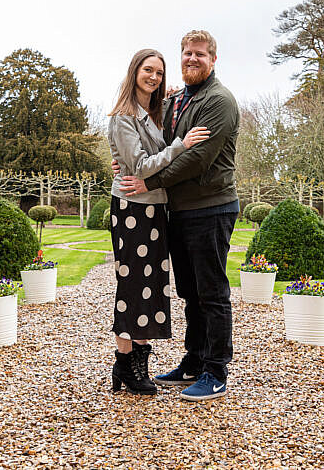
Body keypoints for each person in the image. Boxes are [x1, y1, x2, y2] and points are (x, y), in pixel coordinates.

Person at [119, 30, 240, 402]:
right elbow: (160, 145)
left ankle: (215, 370)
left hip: (211, 207)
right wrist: (127, 161)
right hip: (181, 209)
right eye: (187, 53)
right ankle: (193, 360)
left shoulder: (218, 101)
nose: (192, 59)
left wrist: (147, 181)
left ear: (213, 59)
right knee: (189, 292)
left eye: (200, 54)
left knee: (212, 292)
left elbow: (195, 158)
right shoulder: (178, 100)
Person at [107, 48, 210, 395]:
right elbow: (139, 167)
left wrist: (167, 98)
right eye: (147, 70)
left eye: (159, 73)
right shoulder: (123, 117)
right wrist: (181, 145)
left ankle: (137, 364)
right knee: (132, 286)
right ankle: (126, 364)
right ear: (134, 70)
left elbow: (144, 158)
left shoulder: (155, 113)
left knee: (150, 288)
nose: (153, 77)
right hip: (133, 210)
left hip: (154, 209)